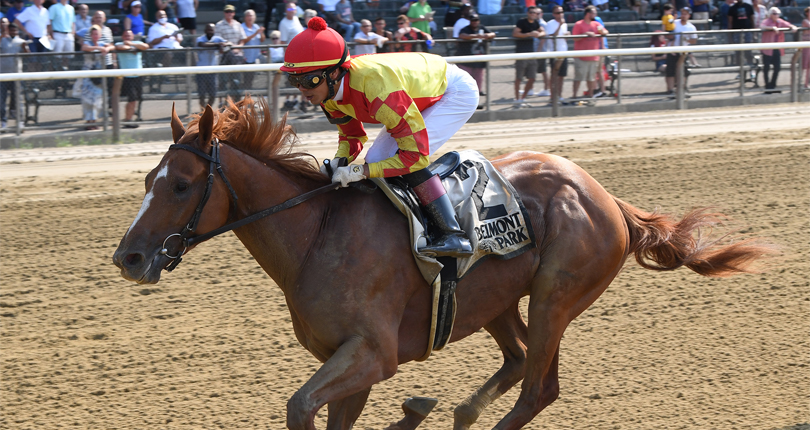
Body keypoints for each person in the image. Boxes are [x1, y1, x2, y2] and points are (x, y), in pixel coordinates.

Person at [281, 17, 478, 257]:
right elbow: (352, 137)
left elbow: (414, 157)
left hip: (454, 91)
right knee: (377, 157)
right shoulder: (327, 94)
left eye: (308, 80)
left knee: (392, 158)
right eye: (294, 80)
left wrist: (361, 172)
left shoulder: (375, 89)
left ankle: (453, 234)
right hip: (413, 90)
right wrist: (338, 162)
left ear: (333, 73)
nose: (302, 89)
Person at [571, 6, 608, 99]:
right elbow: (575, 38)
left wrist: (602, 32)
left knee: (591, 78)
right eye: (594, 13)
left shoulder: (596, 24)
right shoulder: (579, 24)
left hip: (593, 56)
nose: (595, 15)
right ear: (588, 14)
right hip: (581, 56)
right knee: (578, 78)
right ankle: (574, 95)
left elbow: (605, 32)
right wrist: (585, 34)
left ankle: (591, 96)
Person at [80, 25, 112, 130]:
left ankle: (94, 120)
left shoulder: (103, 43)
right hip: (88, 75)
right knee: (87, 99)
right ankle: (88, 122)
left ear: (100, 35)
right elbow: (85, 48)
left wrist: (107, 48)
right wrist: (99, 48)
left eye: (97, 33)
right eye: (93, 34)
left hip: (98, 75)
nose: (95, 35)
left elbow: (112, 46)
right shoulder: (87, 44)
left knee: (97, 100)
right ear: (91, 35)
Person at [457, 14, 494, 103]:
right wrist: (475, 36)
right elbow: (462, 35)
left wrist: (486, 36)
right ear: (470, 21)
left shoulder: (481, 28)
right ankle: (463, 102)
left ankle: (475, 102)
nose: (475, 22)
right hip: (466, 60)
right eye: (473, 20)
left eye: (476, 20)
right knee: (465, 82)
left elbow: (493, 34)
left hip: (479, 60)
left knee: (478, 82)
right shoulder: (465, 29)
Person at [115, 29, 148, 127]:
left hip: (138, 75)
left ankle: (131, 117)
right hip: (127, 76)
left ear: (132, 36)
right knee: (132, 99)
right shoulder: (119, 43)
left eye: (129, 36)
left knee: (137, 98)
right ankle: (128, 119)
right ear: (122, 37)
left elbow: (145, 46)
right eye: (125, 36)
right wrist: (133, 47)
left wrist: (130, 44)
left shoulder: (137, 42)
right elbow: (120, 47)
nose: (127, 37)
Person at [512, 6, 544, 106]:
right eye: (531, 12)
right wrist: (529, 34)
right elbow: (515, 33)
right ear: (527, 13)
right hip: (521, 53)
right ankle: (517, 99)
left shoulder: (535, 23)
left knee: (532, 78)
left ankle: (522, 98)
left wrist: (538, 34)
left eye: (534, 13)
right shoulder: (522, 22)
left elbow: (543, 31)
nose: (532, 14)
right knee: (519, 78)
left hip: (531, 53)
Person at [759, 7, 796, 92]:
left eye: (778, 14)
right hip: (767, 48)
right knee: (766, 68)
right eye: (775, 14)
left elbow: (788, 24)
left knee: (777, 68)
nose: (777, 15)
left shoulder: (780, 21)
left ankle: (772, 85)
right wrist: (772, 28)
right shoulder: (767, 21)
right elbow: (762, 26)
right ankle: (767, 86)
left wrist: (793, 27)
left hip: (777, 48)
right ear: (770, 14)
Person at [1, 20, 29, 129]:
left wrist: (24, 47)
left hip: (16, 75)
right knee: (1, 101)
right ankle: (3, 122)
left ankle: (20, 122)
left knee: (18, 99)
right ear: (8, 30)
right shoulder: (2, 39)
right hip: (2, 75)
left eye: (15, 30)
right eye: (11, 30)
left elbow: (28, 56)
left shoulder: (20, 41)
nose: (14, 32)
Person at [196, 23, 228, 111]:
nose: (210, 32)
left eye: (212, 30)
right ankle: (202, 111)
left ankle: (207, 110)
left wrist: (224, 44)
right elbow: (202, 44)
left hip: (213, 71)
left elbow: (228, 42)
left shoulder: (217, 38)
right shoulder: (200, 39)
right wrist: (217, 45)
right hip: (201, 71)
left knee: (213, 94)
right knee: (202, 94)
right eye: (209, 30)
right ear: (205, 30)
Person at [665, 7, 697, 94]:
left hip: (683, 52)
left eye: (685, 14)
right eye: (682, 13)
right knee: (670, 71)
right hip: (672, 50)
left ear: (689, 16)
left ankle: (682, 89)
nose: (683, 15)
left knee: (684, 71)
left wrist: (687, 39)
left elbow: (694, 40)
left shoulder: (691, 27)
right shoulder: (674, 23)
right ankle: (670, 90)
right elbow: (666, 29)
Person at [545, 5, 569, 103]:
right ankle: (552, 96)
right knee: (554, 75)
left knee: (562, 76)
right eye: (558, 13)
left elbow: (564, 38)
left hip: (564, 51)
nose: (560, 15)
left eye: (561, 12)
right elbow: (552, 36)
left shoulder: (564, 24)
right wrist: (559, 25)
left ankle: (559, 95)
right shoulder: (550, 23)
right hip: (555, 52)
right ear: (553, 14)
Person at [728, 0, 754, 77]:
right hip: (737, 32)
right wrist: (730, 36)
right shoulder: (732, 8)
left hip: (747, 31)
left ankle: (751, 70)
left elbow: (752, 20)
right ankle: (740, 72)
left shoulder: (749, 7)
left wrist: (754, 32)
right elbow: (730, 22)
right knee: (738, 53)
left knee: (748, 52)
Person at [241, 9, 265, 90]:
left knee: (251, 80)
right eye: (248, 15)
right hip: (245, 58)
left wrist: (261, 33)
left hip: (255, 58)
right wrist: (255, 33)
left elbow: (262, 40)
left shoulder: (256, 27)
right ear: (245, 17)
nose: (250, 17)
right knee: (245, 80)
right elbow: (244, 40)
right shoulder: (242, 27)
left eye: (252, 15)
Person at [48, 0, 74, 70]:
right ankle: (53, 72)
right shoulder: (53, 7)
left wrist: (72, 33)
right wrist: (51, 34)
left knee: (68, 56)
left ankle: (65, 71)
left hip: (69, 34)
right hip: (57, 34)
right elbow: (49, 22)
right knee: (56, 56)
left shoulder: (71, 8)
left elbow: (73, 22)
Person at [802, 7, 809, 90]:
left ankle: (806, 84)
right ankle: (799, 82)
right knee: (804, 65)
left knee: (809, 67)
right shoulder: (805, 21)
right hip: (806, 46)